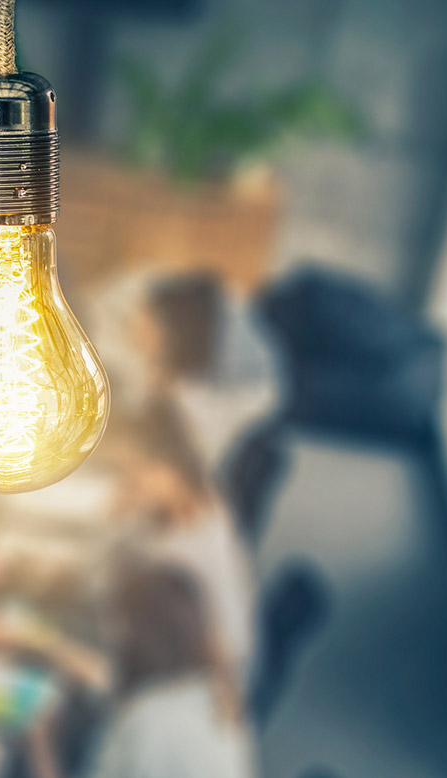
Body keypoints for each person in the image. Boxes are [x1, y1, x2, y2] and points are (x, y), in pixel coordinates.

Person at [24, 564, 259, 778]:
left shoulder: (148, 727)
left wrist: (40, 746)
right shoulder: (209, 692)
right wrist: (48, 645)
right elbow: (106, 679)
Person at [110, 404, 259, 685]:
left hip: (203, 678)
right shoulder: (207, 504)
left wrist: (116, 522)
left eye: (135, 474)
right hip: (212, 661)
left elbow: (116, 587)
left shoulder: (179, 555)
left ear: (171, 471)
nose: (126, 485)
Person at [130, 271, 284, 478]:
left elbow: (197, 464)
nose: (136, 334)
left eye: (147, 325)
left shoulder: (204, 397)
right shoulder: (178, 379)